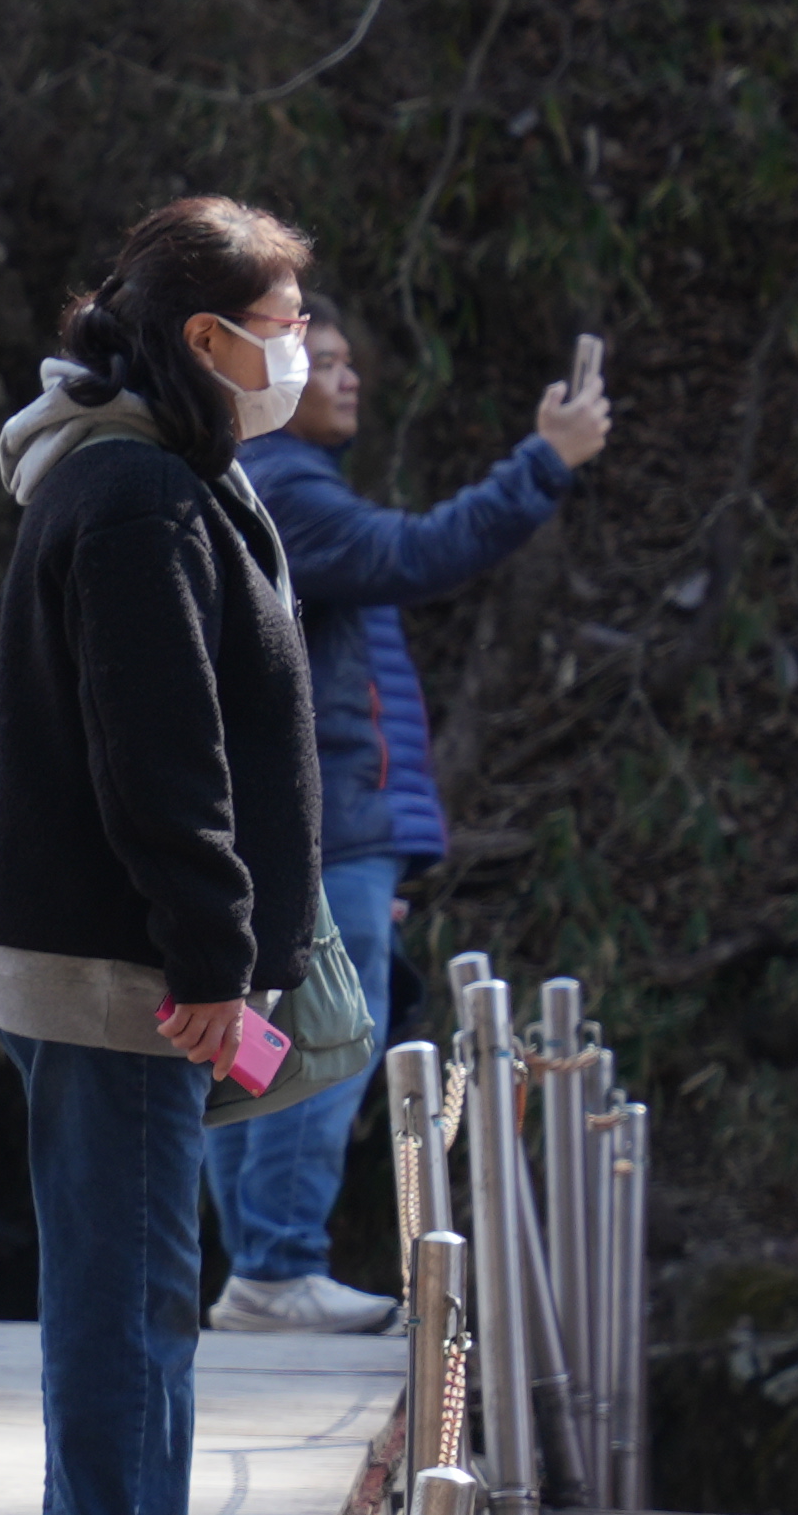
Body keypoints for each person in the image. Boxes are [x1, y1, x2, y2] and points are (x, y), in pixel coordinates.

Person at [0, 197, 324, 1515]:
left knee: (127, 1264)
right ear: (205, 338)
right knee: (131, 1280)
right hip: (119, 963)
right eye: (281, 326)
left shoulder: (144, 474)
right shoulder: (138, 496)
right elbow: (164, 757)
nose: (302, 351)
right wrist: (212, 962)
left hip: (94, 946)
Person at [201, 314, 611, 1333]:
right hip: (329, 828)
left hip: (289, 823)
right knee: (323, 1040)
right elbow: (421, 551)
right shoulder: (287, 487)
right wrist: (544, 463)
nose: (344, 378)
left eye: (350, 362)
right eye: (319, 362)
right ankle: (277, 1267)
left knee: (256, 1047)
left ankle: (260, 1268)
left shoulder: (254, 486)